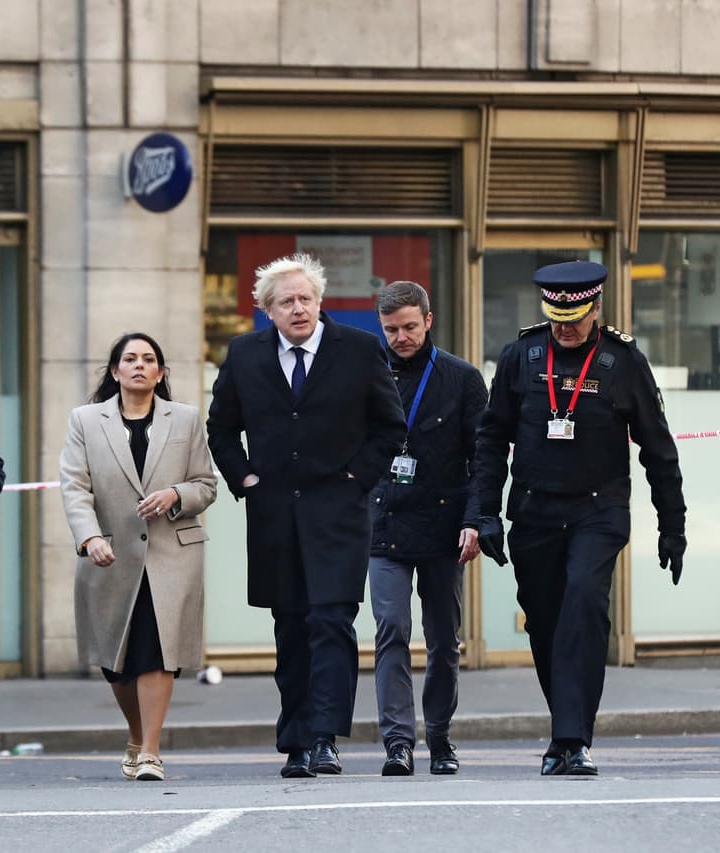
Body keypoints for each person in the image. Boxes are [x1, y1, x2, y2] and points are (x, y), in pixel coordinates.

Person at [469, 260, 687, 777]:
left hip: (597, 510)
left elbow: (659, 450)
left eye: (576, 318)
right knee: (545, 623)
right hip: (535, 511)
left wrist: (672, 526)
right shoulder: (521, 356)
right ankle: (566, 725)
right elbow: (491, 439)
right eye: (556, 318)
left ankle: (571, 739)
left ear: (595, 309)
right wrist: (486, 513)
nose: (565, 328)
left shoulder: (623, 361)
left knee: (583, 608)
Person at [207, 253, 406, 778]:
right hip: (274, 514)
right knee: (291, 626)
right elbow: (221, 428)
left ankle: (324, 738)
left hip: (338, 512)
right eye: (286, 302)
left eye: (306, 299)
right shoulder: (245, 354)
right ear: (267, 310)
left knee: (331, 621)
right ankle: (295, 740)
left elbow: (390, 427)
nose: (298, 309)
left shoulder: (359, 350)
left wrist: (357, 478)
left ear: (320, 302)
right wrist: (244, 478)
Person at [59, 332, 217, 782]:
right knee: (117, 663)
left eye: (149, 359)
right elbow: (75, 487)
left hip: (172, 553)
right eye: (130, 359)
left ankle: (150, 751)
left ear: (162, 372)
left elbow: (206, 485)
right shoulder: (86, 420)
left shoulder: (186, 420)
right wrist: (89, 538)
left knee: (158, 651)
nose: (139, 366)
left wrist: (175, 494)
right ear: (115, 371)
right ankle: (135, 733)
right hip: (110, 552)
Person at [369, 281, 487, 777]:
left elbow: (483, 460)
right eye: (392, 329)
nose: (401, 337)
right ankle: (398, 741)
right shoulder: (366, 375)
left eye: (410, 327)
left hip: (444, 528)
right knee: (391, 629)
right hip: (383, 525)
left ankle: (438, 736)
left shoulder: (462, 378)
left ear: (429, 320)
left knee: (444, 640)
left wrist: (476, 520)